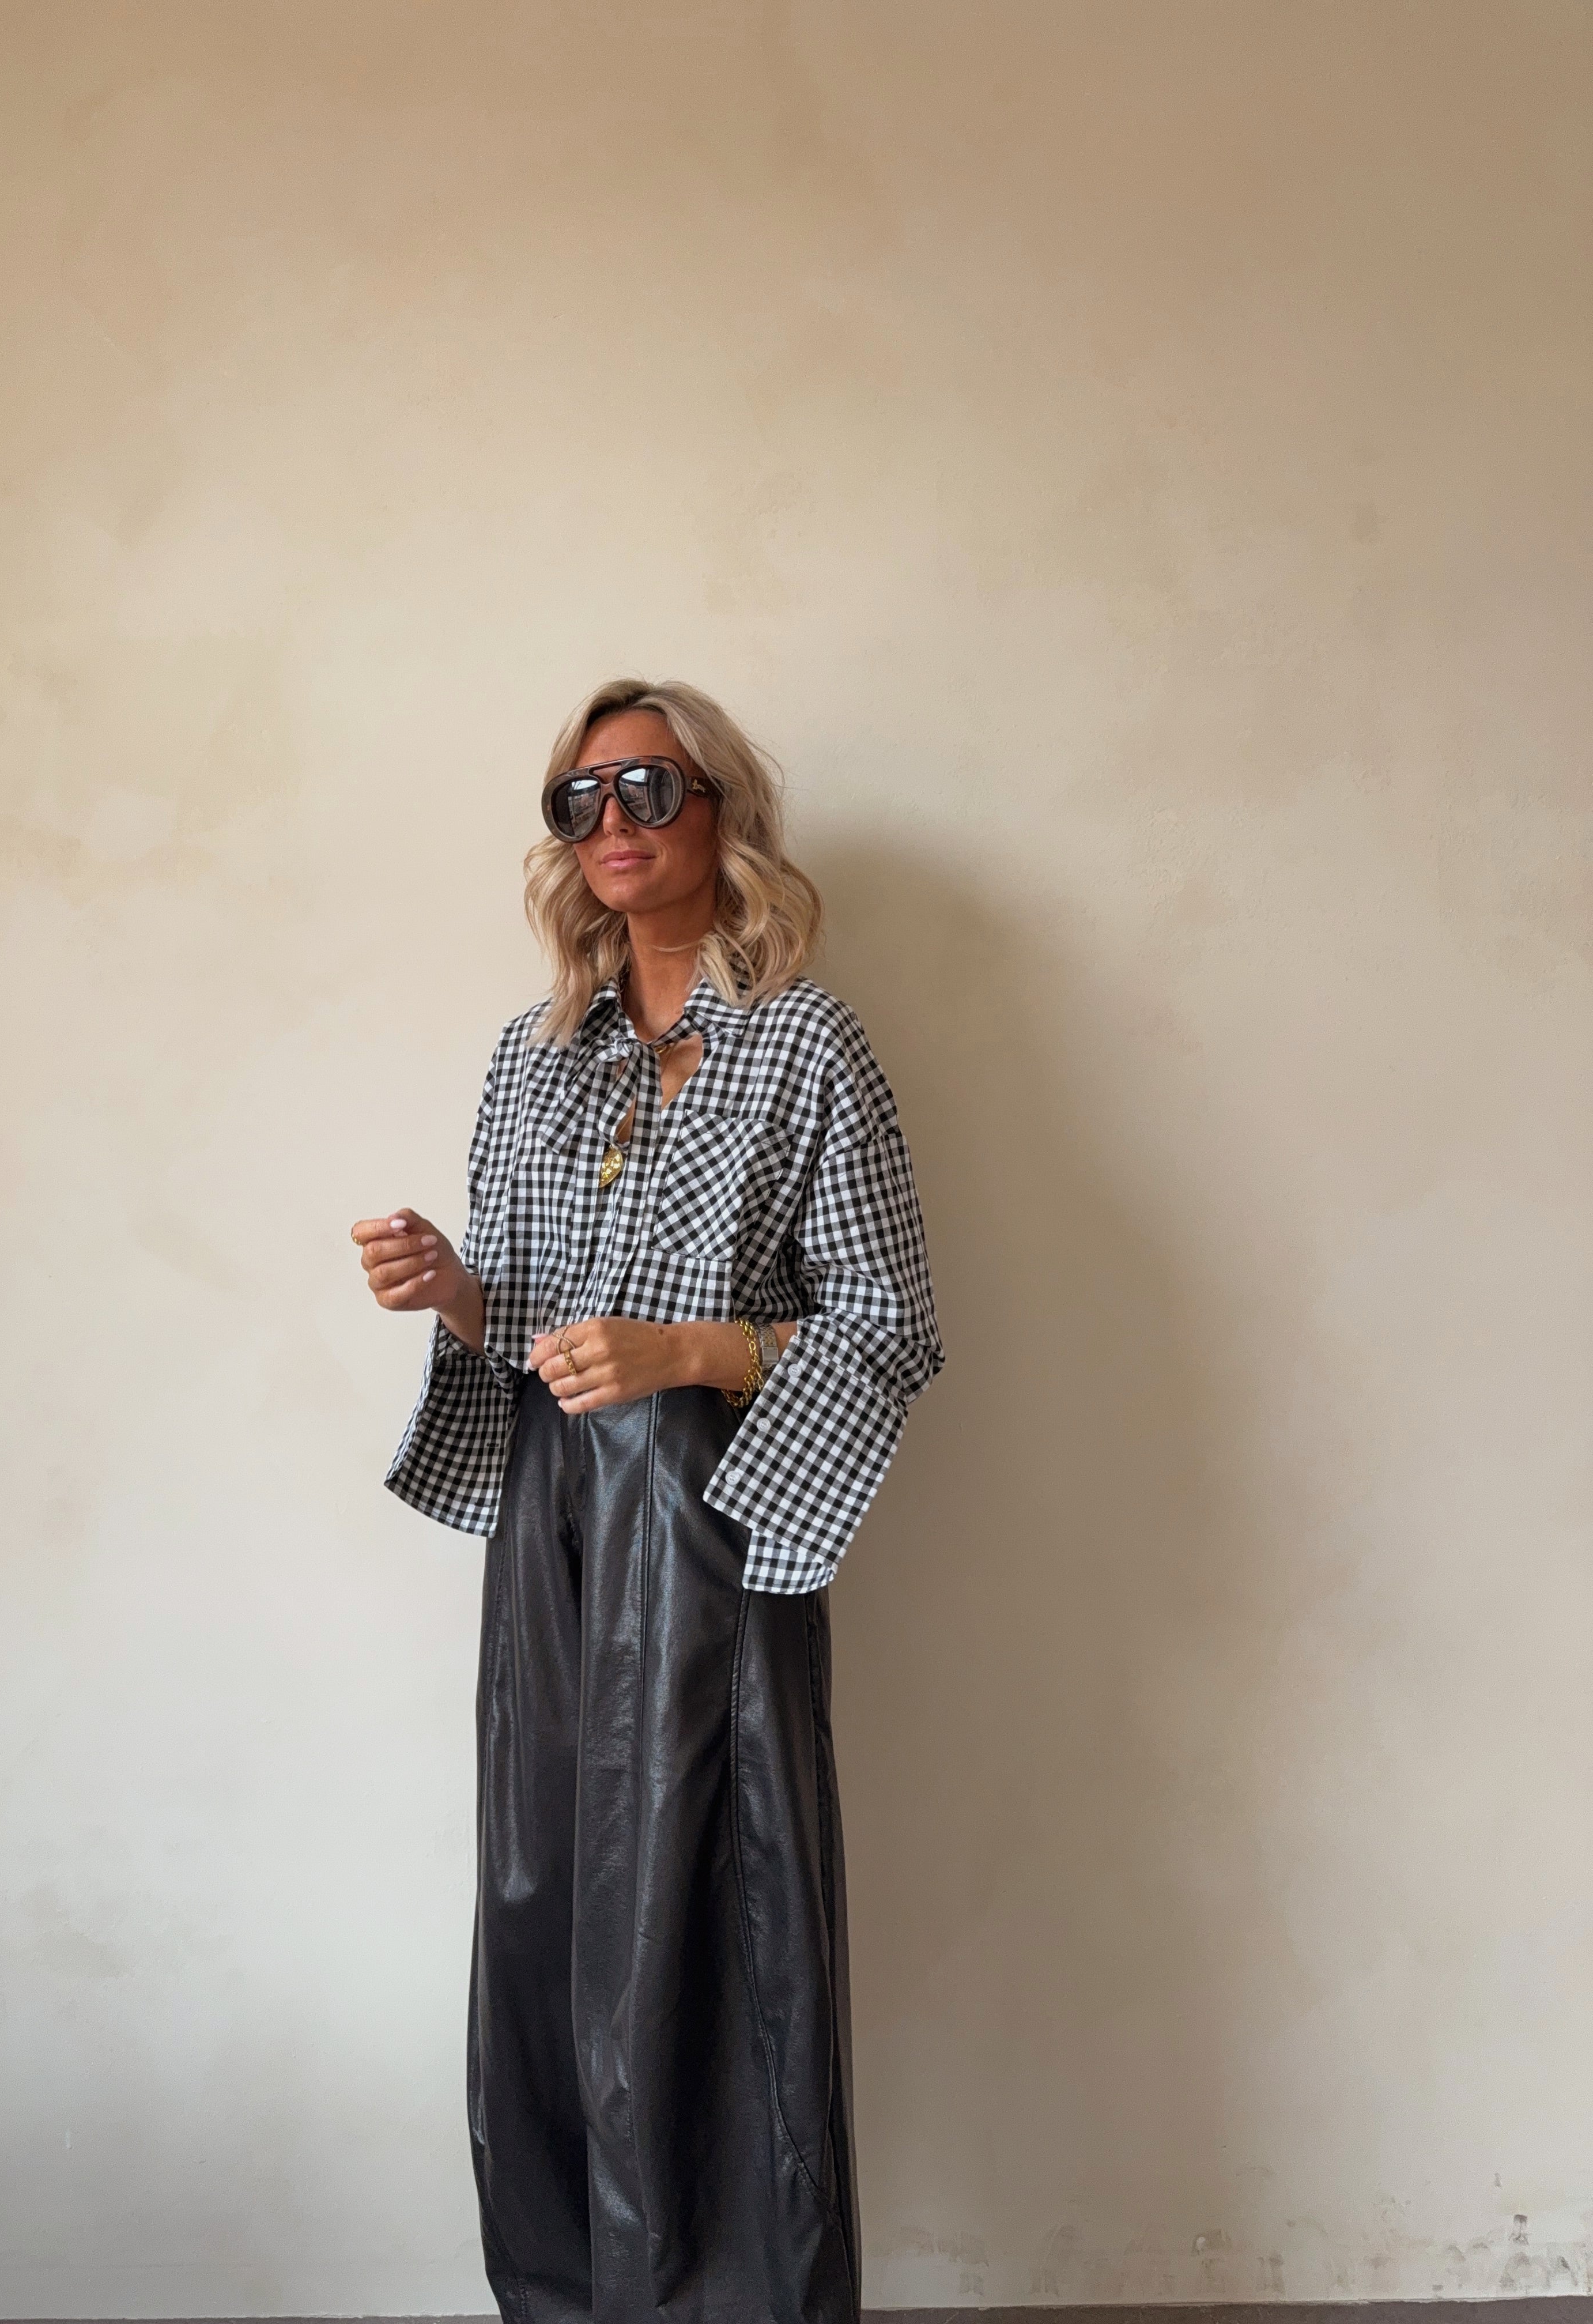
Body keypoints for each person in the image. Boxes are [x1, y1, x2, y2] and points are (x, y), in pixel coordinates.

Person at [350, 678, 943, 2324]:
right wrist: (455, 1287)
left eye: (649, 788)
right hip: (551, 1517)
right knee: (544, 1896)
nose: (612, 823)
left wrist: (687, 1348)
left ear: (722, 811)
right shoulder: (531, 1058)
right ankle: (567, 2294)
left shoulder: (808, 1042)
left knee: (711, 1904)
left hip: (712, 1510)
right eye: (580, 799)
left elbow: (890, 1321)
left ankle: (729, 2299)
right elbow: (531, 1317)